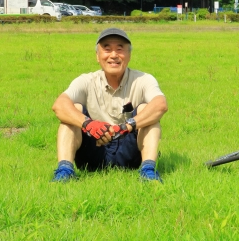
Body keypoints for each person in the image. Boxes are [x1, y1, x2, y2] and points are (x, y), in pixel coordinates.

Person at [51, 28, 168, 182]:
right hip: (93, 150)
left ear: (129, 55)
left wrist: (126, 126)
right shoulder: (86, 81)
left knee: (145, 110)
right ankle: (64, 171)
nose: (113, 55)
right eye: (107, 49)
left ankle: (148, 170)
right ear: (97, 56)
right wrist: (88, 124)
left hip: (130, 151)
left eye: (120, 49)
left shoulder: (143, 79)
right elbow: (59, 105)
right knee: (74, 111)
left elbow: (160, 104)